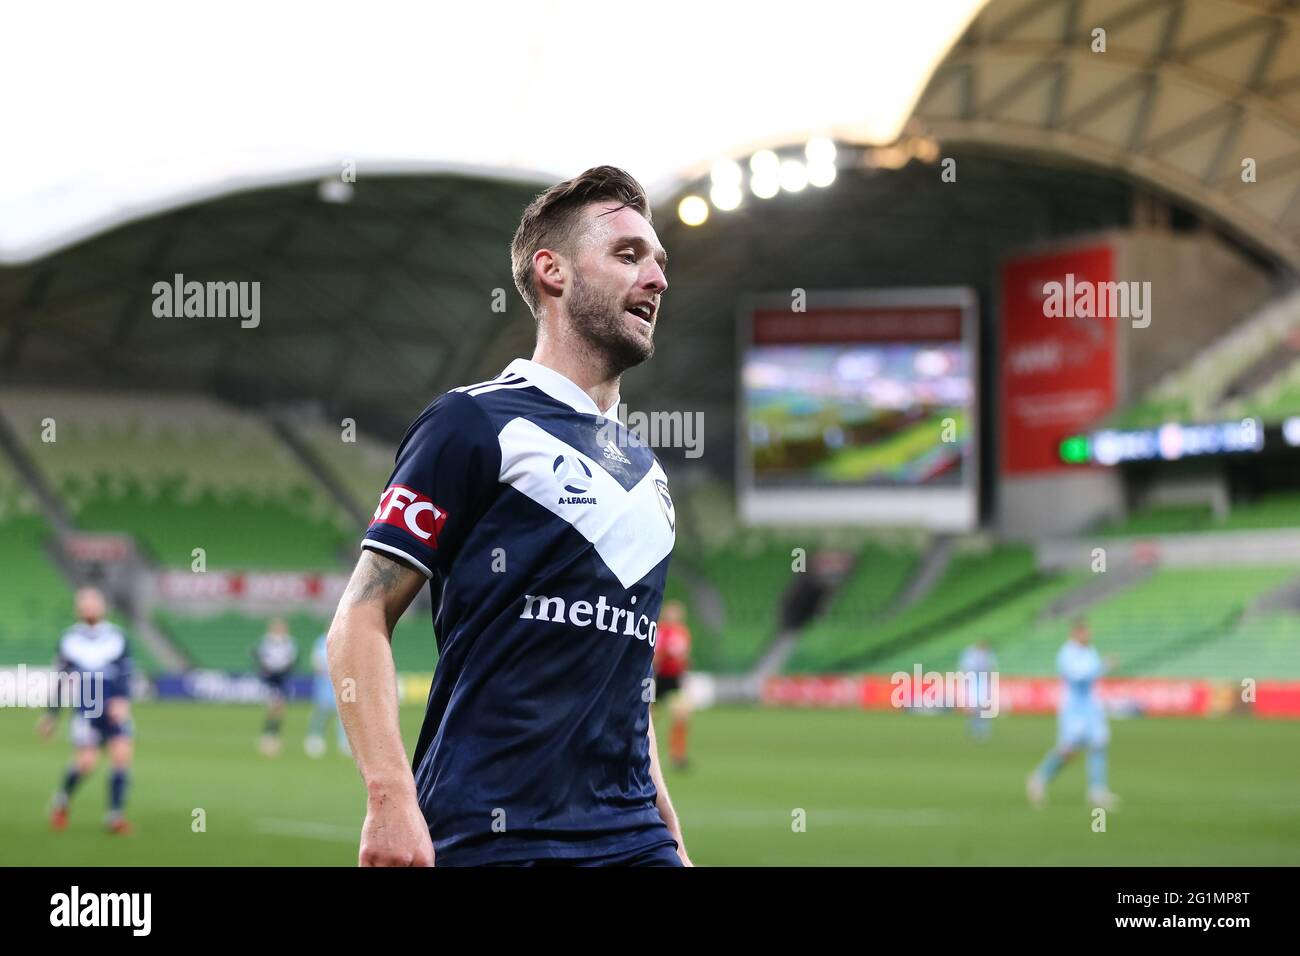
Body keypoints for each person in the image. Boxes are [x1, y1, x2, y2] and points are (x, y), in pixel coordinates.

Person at [328, 165, 690, 866]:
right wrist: (389, 799)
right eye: (627, 255)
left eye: (658, 261)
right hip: (490, 833)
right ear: (552, 272)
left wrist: (670, 836)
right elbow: (361, 617)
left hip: (631, 837)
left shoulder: (650, 476)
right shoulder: (473, 423)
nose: (656, 279)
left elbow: (624, 686)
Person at [38, 587, 135, 834]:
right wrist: (51, 715)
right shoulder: (69, 639)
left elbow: (126, 672)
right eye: (84, 604)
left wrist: (123, 700)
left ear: (103, 606)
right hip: (88, 704)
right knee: (86, 763)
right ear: (78, 609)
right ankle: (61, 802)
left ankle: (115, 817)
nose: (89, 607)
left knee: (121, 755)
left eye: (93, 603)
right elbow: (60, 680)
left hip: (113, 704)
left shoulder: (117, 636)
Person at [1027, 617, 1120, 809]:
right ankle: (1040, 777)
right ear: (1075, 633)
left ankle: (1097, 791)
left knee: (1099, 744)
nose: (1089, 635)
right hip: (1074, 710)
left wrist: (1101, 668)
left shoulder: (1090, 651)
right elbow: (1078, 677)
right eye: (1085, 632)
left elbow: (1092, 677)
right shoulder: (1067, 653)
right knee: (1069, 750)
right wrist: (1103, 666)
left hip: (1091, 707)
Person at [652, 600, 692, 769]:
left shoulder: (683, 632)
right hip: (659, 678)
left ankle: (677, 755)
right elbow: (655, 655)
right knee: (648, 718)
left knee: (681, 715)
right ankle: (637, 748)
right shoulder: (660, 629)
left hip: (675, 680)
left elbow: (685, 656)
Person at [253, 618, 297, 756]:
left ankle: (273, 735)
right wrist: (264, 669)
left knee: (280, 708)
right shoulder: (267, 641)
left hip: (282, 676)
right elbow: (260, 657)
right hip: (271, 677)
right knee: (274, 705)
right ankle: (268, 735)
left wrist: (287, 668)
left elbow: (291, 659)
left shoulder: (289, 642)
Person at [305, 632, 349, 758]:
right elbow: (316, 662)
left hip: (345, 681)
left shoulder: (347, 639)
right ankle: (315, 737)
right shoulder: (321, 642)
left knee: (345, 712)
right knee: (323, 710)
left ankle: (345, 742)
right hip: (326, 681)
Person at [957, 639, 997, 741]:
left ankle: (982, 729)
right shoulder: (972, 654)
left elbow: (991, 668)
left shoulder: (987, 655)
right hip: (973, 682)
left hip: (982, 682)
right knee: (974, 708)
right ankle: (975, 728)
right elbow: (966, 668)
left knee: (982, 707)